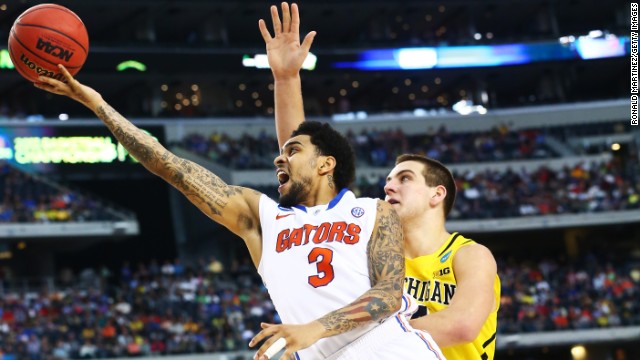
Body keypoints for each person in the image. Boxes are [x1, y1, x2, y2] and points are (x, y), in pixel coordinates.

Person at [33, 5, 444, 360]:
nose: (279, 156)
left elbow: (390, 294)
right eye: (280, 152)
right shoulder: (262, 218)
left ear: (326, 164)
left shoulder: (371, 210)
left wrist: (313, 328)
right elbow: (166, 163)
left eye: (293, 151)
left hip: (389, 347)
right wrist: (96, 103)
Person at [264, 2, 501, 359]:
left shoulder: (468, 255)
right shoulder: (371, 248)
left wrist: (344, 338)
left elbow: (463, 324)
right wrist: (286, 79)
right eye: (389, 179)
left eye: (404, 178)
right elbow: (305, 168)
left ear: (437, 194)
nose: (389, 186)